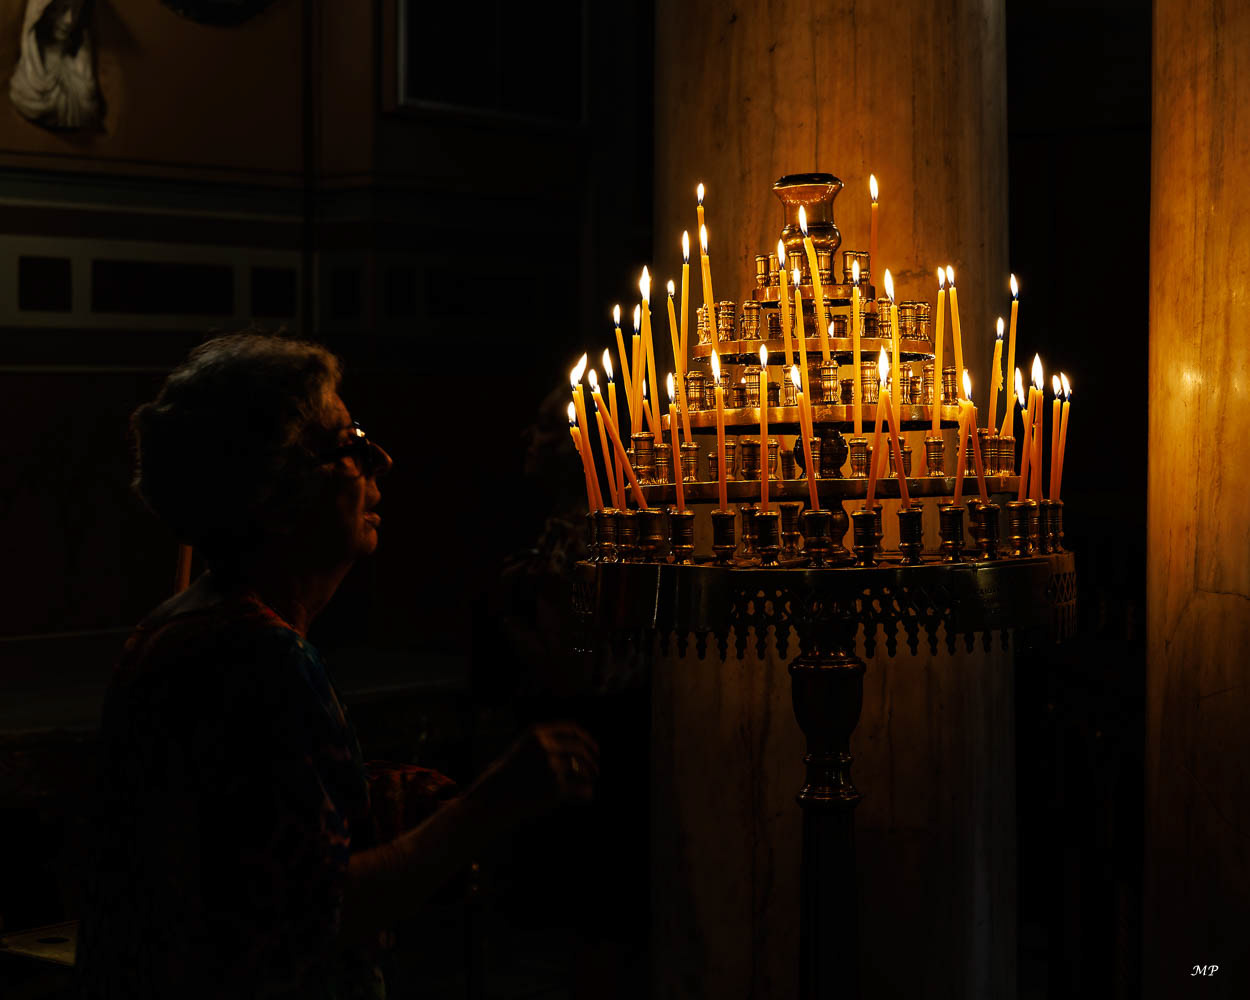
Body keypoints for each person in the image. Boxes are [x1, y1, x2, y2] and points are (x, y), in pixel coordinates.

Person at [77, 333, 599, 999]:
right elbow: (318, 912)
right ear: (280, 482)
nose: (380, 461)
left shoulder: (184, 624)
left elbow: (249, 840)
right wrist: (489, 807)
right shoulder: (257, 657)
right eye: (352, 446)